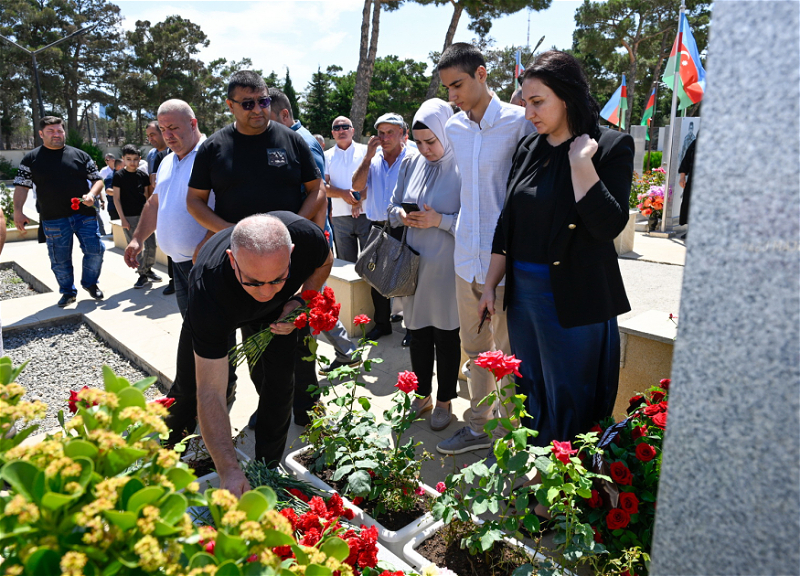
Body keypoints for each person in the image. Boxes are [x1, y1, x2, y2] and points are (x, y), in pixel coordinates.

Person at [480, 50, 633, 451]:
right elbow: (506, 223)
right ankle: (541, 471)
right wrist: (490, 286)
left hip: (575, 296)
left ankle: (569, 494)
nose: (528, 112)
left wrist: (581, 164)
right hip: (525, 295)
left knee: (573, 394)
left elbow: (608, 226)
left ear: (565, 97)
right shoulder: (529, 149)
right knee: (532, 389)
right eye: (525, 102)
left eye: (537, 101)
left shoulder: (611, 144)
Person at [164, 212, 333, 497]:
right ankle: (163, 454)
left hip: (280, 316)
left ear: (291, 254)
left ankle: (267, 470)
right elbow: (211, 393)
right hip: (222, 304)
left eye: (278, 279)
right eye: (255, 282)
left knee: (279, 385)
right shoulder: (208, 290)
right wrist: (228, 470)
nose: (266, 293)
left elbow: (324, 260)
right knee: (188, 388)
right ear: (233, 260)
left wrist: (300, 299)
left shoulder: (306, 237)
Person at [435, 42, 534, 457]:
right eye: (446, 88)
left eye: (457, 84)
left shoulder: (519, 123)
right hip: (465, 257)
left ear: (481, 73)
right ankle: (477, 426)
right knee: (474, 349)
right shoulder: (454, 128)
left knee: (509, 355)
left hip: (506, 260)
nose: (452, 96)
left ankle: (511, 438)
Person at [267, 88, 361, 417]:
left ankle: (344, 353)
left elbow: (317, 192)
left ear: (282, 115)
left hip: (306, 242)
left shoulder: (301, 142)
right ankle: (346, 348)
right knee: (311, 304)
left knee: (307, 308)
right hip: (300, 238)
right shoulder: (292, 139)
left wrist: (305, 237)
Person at [186, 70, 325, 260]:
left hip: (288, 249)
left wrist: (294, 226)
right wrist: (230, 231)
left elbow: (317, 189)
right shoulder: (212, 147)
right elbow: (194, 201)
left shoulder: (294, 141)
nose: (258, 109)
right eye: (248, 104)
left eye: (264, 101)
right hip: (234, 252)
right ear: (230, 106)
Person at [387, 99, 461, 431]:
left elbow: (478, 225)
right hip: (413, 269)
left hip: (448, 271)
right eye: (418, 142)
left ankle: (444, 400)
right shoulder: (411, 163)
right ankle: (422, 395)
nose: (425, 149)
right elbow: (391, 207)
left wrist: (440, 221)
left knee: (446, 337)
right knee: (416, 336)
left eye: (431, 141)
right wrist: (401, 215)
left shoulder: (463, 166)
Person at [123, 100, 209, 318]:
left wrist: (208, 242)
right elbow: (155, 202)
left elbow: (232, 207)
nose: (167, 136)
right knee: (192, 326)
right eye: (162, 129)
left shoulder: (211, 156)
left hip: (206, 263)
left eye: (173, 128)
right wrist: (138, 238)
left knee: (213, 332)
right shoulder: (168, 160)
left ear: (192, 123)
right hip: (179, 264)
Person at [12, 116, 105, 307]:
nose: (56, 134)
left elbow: (98, 179)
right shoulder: (31, 159)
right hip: (53, 218)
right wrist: (18, 211)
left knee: (96, 250)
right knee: (60, 260)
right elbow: (22, 187)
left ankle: (90, 283)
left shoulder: (80, 155)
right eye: (51, 131)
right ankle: (68, 292)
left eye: (59, 130)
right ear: (41, 134)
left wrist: (92, 194)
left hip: (84, 215)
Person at [352, 112, 417, 345]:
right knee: (374, 277)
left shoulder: (413, 158)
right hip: (377, 226)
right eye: (381, 133)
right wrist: (368, 157)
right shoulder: (373, 158)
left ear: (402, 134)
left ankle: (412, 328)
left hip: (405, 228)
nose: (385, 137)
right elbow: (356, 186)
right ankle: (382, 324)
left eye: (391, 132)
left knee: (408, 278)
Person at [113, 144, 161, 289]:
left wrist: (151, 216)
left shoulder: (143, 176)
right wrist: (122, 218)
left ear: (140, 159)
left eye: (135, 159)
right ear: (123, 159)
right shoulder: (119, 176)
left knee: (151, 245)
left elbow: (148, 197)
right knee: (136, 247)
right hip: (129, 217)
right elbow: (116, 198)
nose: (132, 162)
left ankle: (148, 269)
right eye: (129, 159)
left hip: (144, 216)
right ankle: (142, 275)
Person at [324, 116, 370, 263]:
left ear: (353, 131)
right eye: (337, 128)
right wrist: (343, 194)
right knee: (345, 265)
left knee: (370, 264)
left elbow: (377, 182)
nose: (341, 130)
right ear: (332, 133)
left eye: (345, 127)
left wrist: (358, 198)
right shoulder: (326, 156)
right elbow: (322, 187)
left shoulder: (366, 151)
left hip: (367, 214)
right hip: (340, 218)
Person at [678, 137, 696, 233]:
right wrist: (682, 177)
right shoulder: (696, 142)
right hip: (694, 179)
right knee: (689, 204)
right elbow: (686, 160)